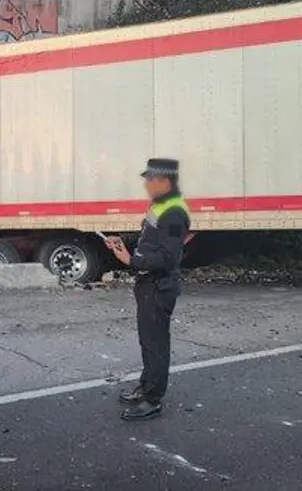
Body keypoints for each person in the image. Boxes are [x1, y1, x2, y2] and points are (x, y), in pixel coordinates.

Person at [106, 158, 190, 421]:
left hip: (159, 285)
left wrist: (131, 261)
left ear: (164, 181)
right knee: (148, 341)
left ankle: (153, 399)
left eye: (149, 179)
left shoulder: (175, 213)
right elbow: (148, 240)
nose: (145, 184)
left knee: (156, 343)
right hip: (148, 285)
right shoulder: (160, 206)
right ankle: (146, 386)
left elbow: (168, 256)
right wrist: (124, 241)